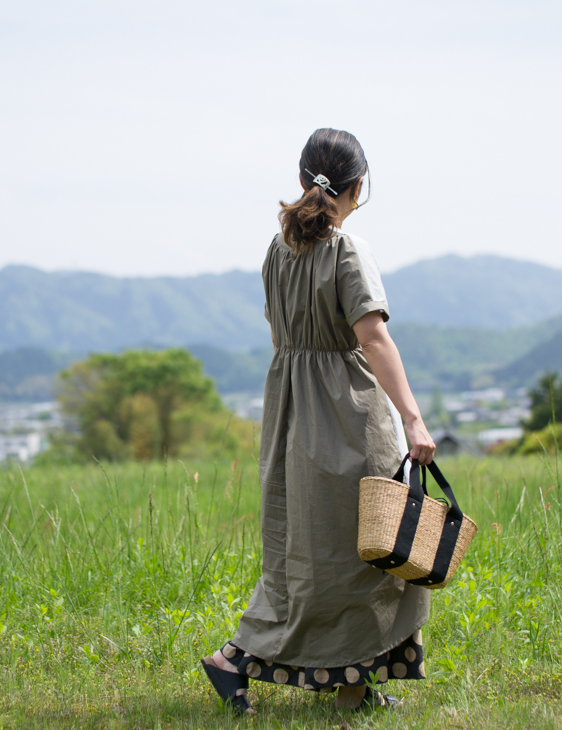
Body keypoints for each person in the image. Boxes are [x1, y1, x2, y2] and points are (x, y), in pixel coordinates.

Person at [201, 128, 436, 715]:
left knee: (307, 552)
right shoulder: (346, 250)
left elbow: (285, 333)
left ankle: (353, 686)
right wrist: (412, 418)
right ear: (358, 187)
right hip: (345, 412)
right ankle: (238, 657)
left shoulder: (277, 251)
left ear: (304, 179)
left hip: (288, 412)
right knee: (371, 547)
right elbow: (373, 337)